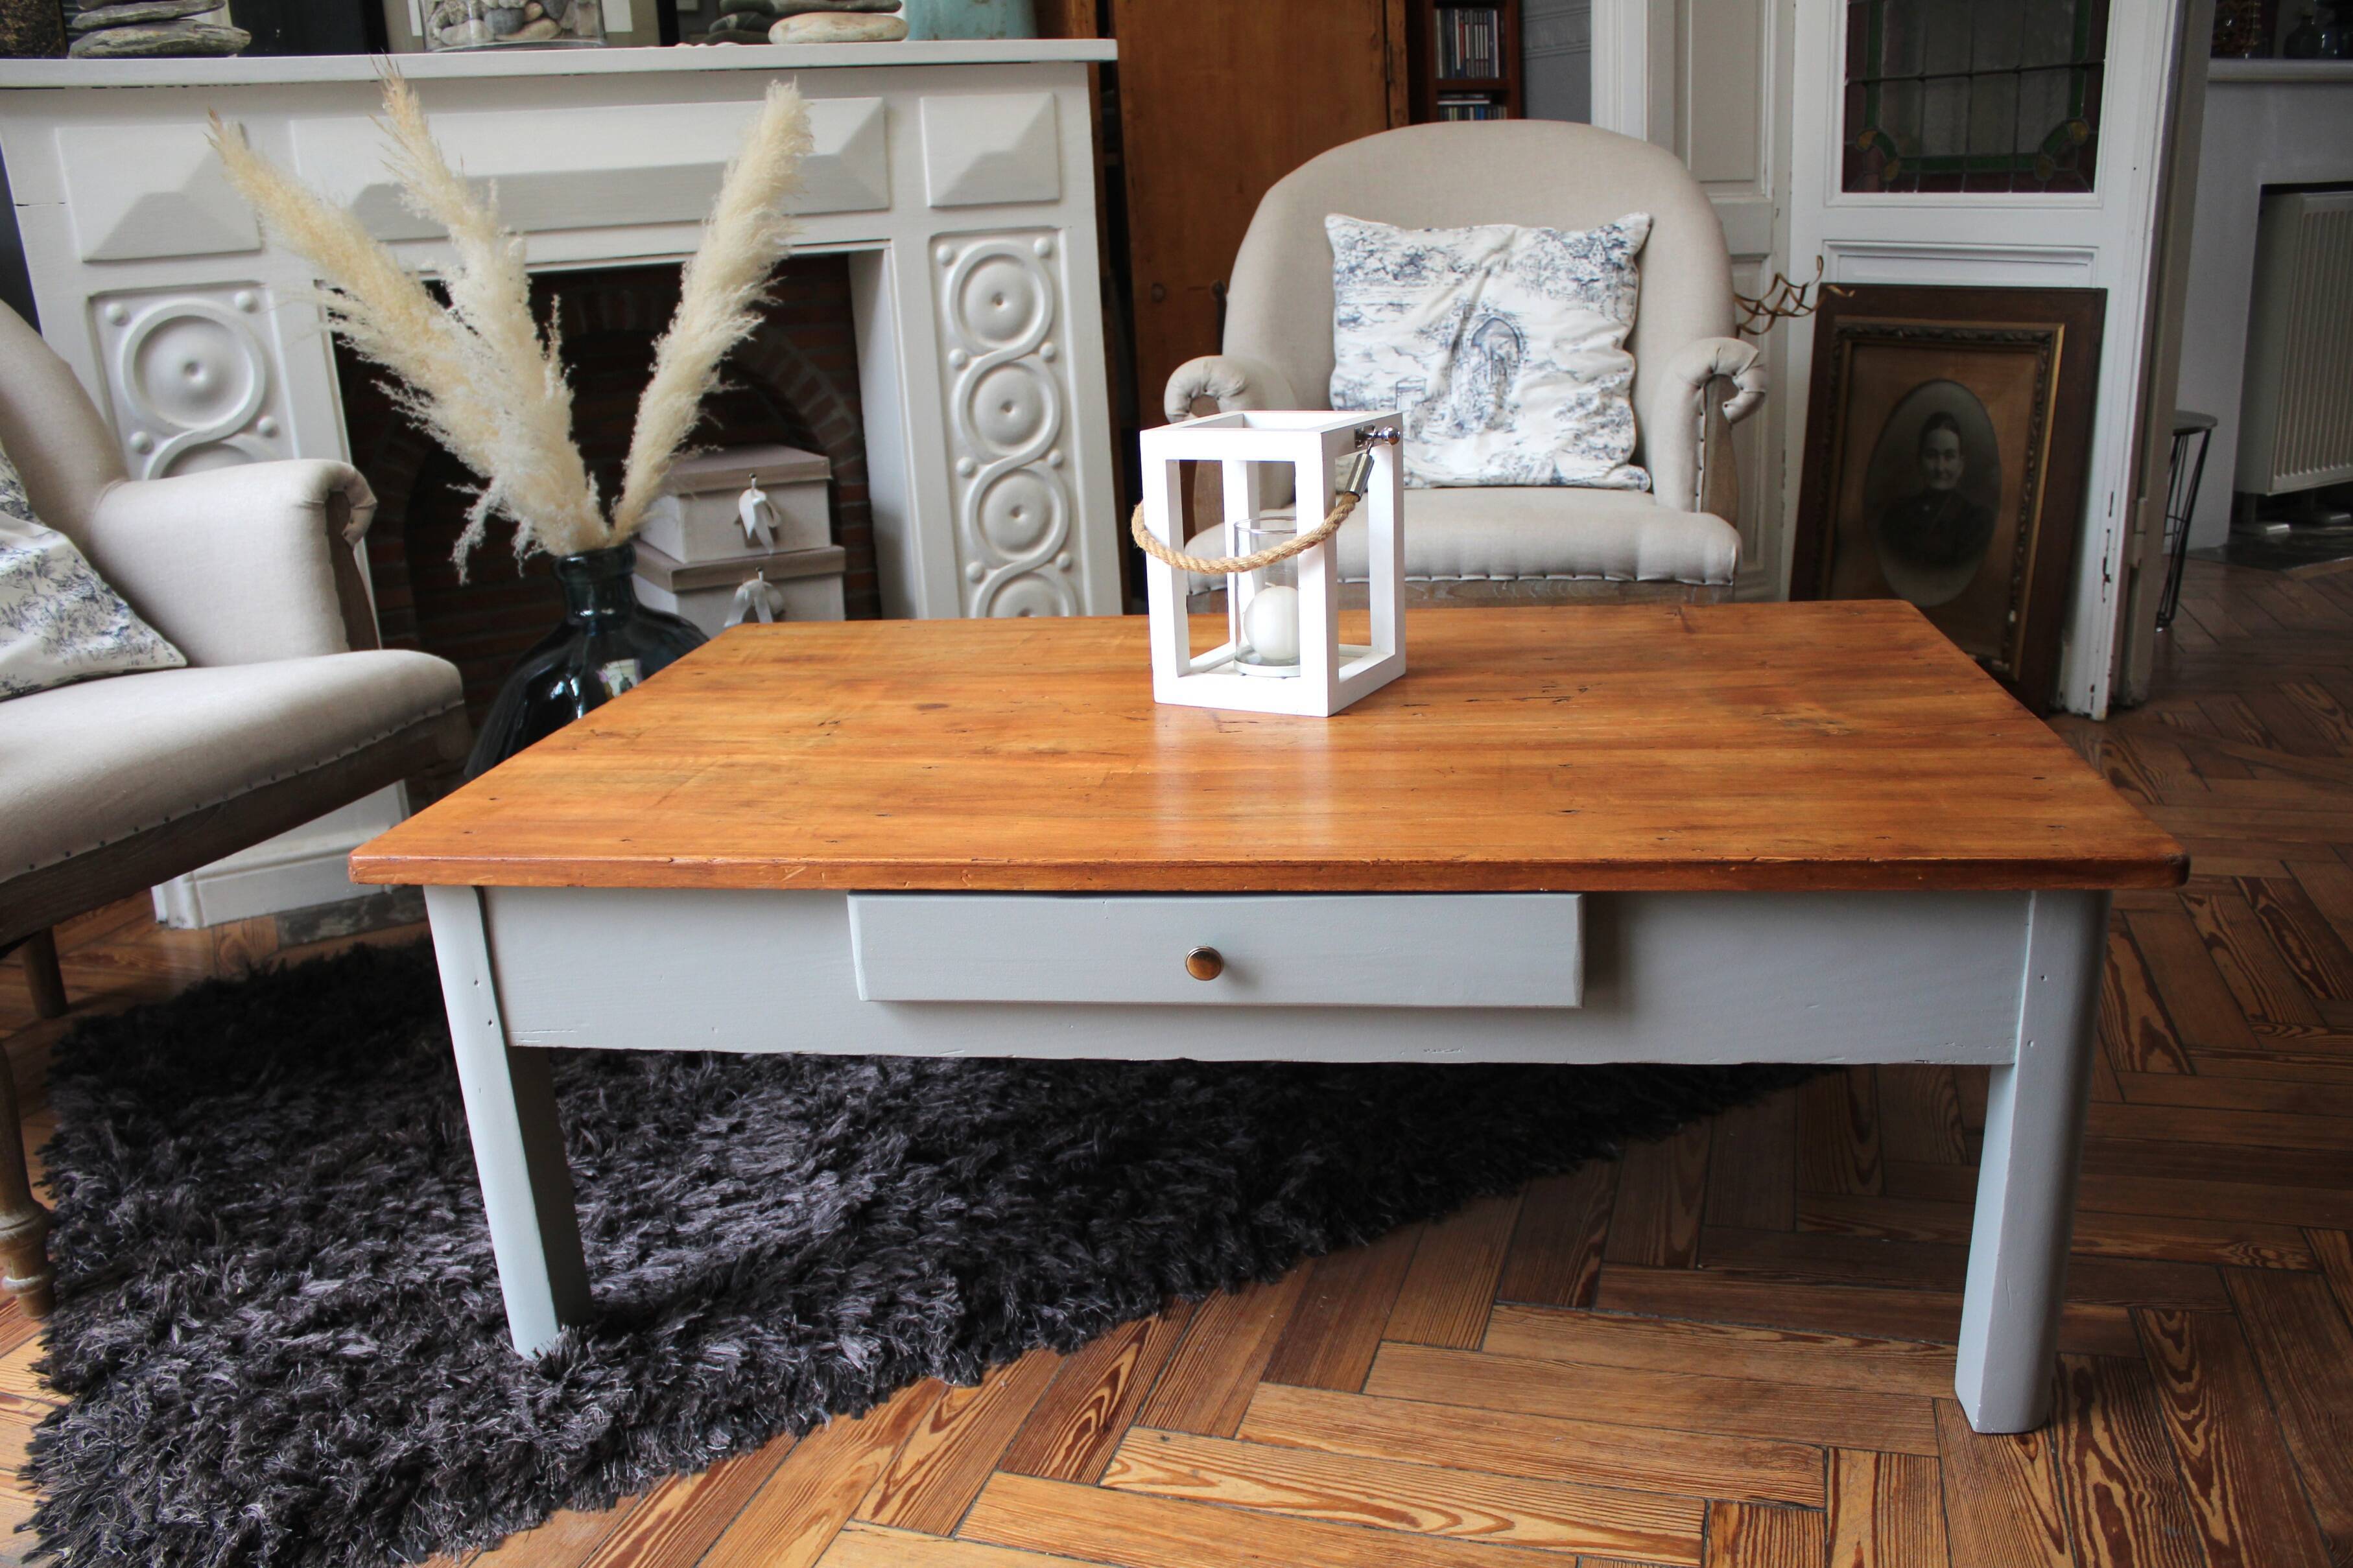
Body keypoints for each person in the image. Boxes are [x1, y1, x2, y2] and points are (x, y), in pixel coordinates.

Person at [1874, 411, 1995, 576]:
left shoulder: (1976, 521)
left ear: (1961, 464)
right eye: (1932, 455)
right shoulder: (1896, 516)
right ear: (1919, 461)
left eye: (1949, 456)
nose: (1940, 467)